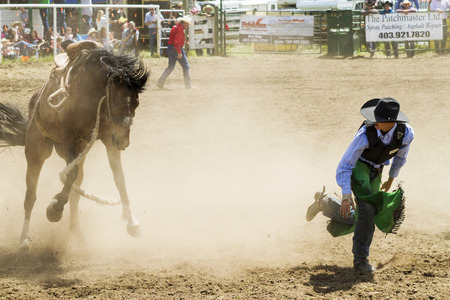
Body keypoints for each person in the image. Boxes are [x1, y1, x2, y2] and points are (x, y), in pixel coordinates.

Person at [306, 97, 414, 274]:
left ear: (391, 122)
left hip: (378, 170)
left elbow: (400, 157)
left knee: (363, 216)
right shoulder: (364, 135)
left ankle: (325, 202)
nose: (374, 121)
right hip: (359, 168)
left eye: (379, 119)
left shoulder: (406, 133)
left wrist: (391, 178)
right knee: (368, 211)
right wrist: (347, 196)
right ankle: (360, 259)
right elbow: (345, 166)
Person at [157, 16, 192, 89]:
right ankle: (188, 85)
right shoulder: (179, 29)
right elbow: (176, 41)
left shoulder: (175, 27)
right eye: (187, 24)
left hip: (170, 48)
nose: (187, 25)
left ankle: (160, 82)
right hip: (176, 48)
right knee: (185, 66)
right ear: (184, 23)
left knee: (171, 67)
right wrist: (179, 52)